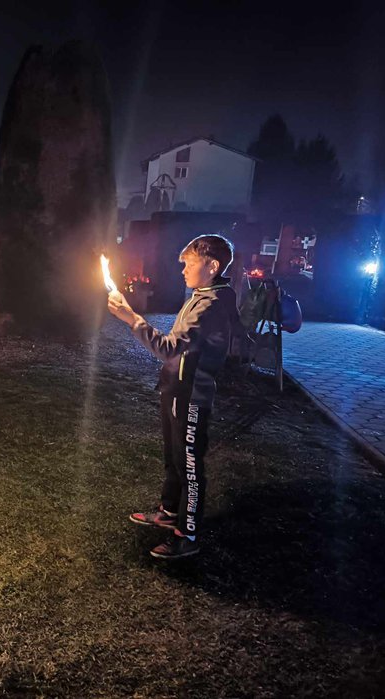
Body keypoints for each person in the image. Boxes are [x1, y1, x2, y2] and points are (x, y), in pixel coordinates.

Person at [107, 234, 242, 560]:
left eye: (189, 264)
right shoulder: (202, 294)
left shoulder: (211, 304)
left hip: (192, 396)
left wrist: (133, 320)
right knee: (173, 457)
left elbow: (169, 348)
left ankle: (188, 533)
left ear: (211, 266)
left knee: (189, 465)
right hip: (176, 390)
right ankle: (169, 512)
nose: (182, 270)